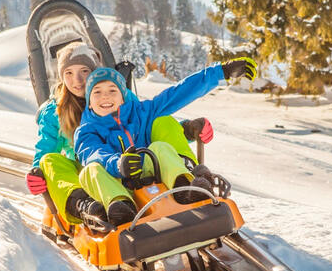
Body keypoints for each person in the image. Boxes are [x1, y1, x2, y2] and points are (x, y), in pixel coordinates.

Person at [26, 41, 217, 226]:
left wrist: (186, 130)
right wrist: (37, 172)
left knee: (162, 120)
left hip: (135, 160)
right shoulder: (54, 113)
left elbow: (144, 121)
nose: (77, 80)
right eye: (68, 73)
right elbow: (48, 147)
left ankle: (188, 177)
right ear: (61, 76)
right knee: (49, 162)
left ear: (95, 71)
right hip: (91, 172)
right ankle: (86, 205)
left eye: (84, 71)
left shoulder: (119, 94)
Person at [74, 57, 258, 226]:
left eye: (112, 90)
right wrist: (118, 163)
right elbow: (92, 153)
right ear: (89, 102)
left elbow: (177, 93)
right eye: (97, 92)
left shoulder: (142, 112)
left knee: (159, 147)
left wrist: (221, 72)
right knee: (90, 170)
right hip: (117, 181)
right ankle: (120, 206)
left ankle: (185, 187)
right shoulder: (86, 130)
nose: (105, 96)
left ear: (123, 96)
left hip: (149, 172)